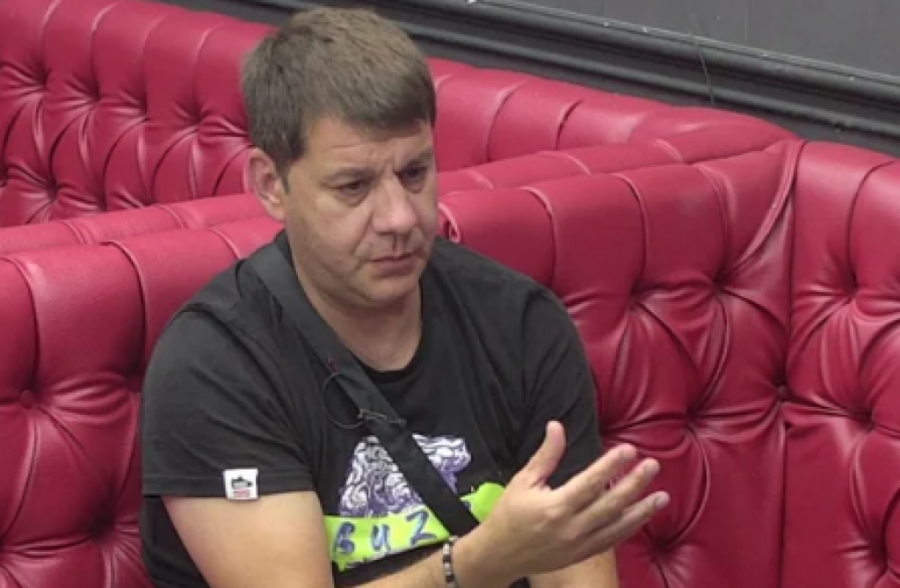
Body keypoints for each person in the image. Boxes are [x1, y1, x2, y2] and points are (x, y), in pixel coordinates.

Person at [139, 6, 669, 588]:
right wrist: (477, 563)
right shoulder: (215, 364)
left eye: (415, 174)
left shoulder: (519, 324)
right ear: (271, 186)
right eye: (354, 186)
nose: (399, 218)